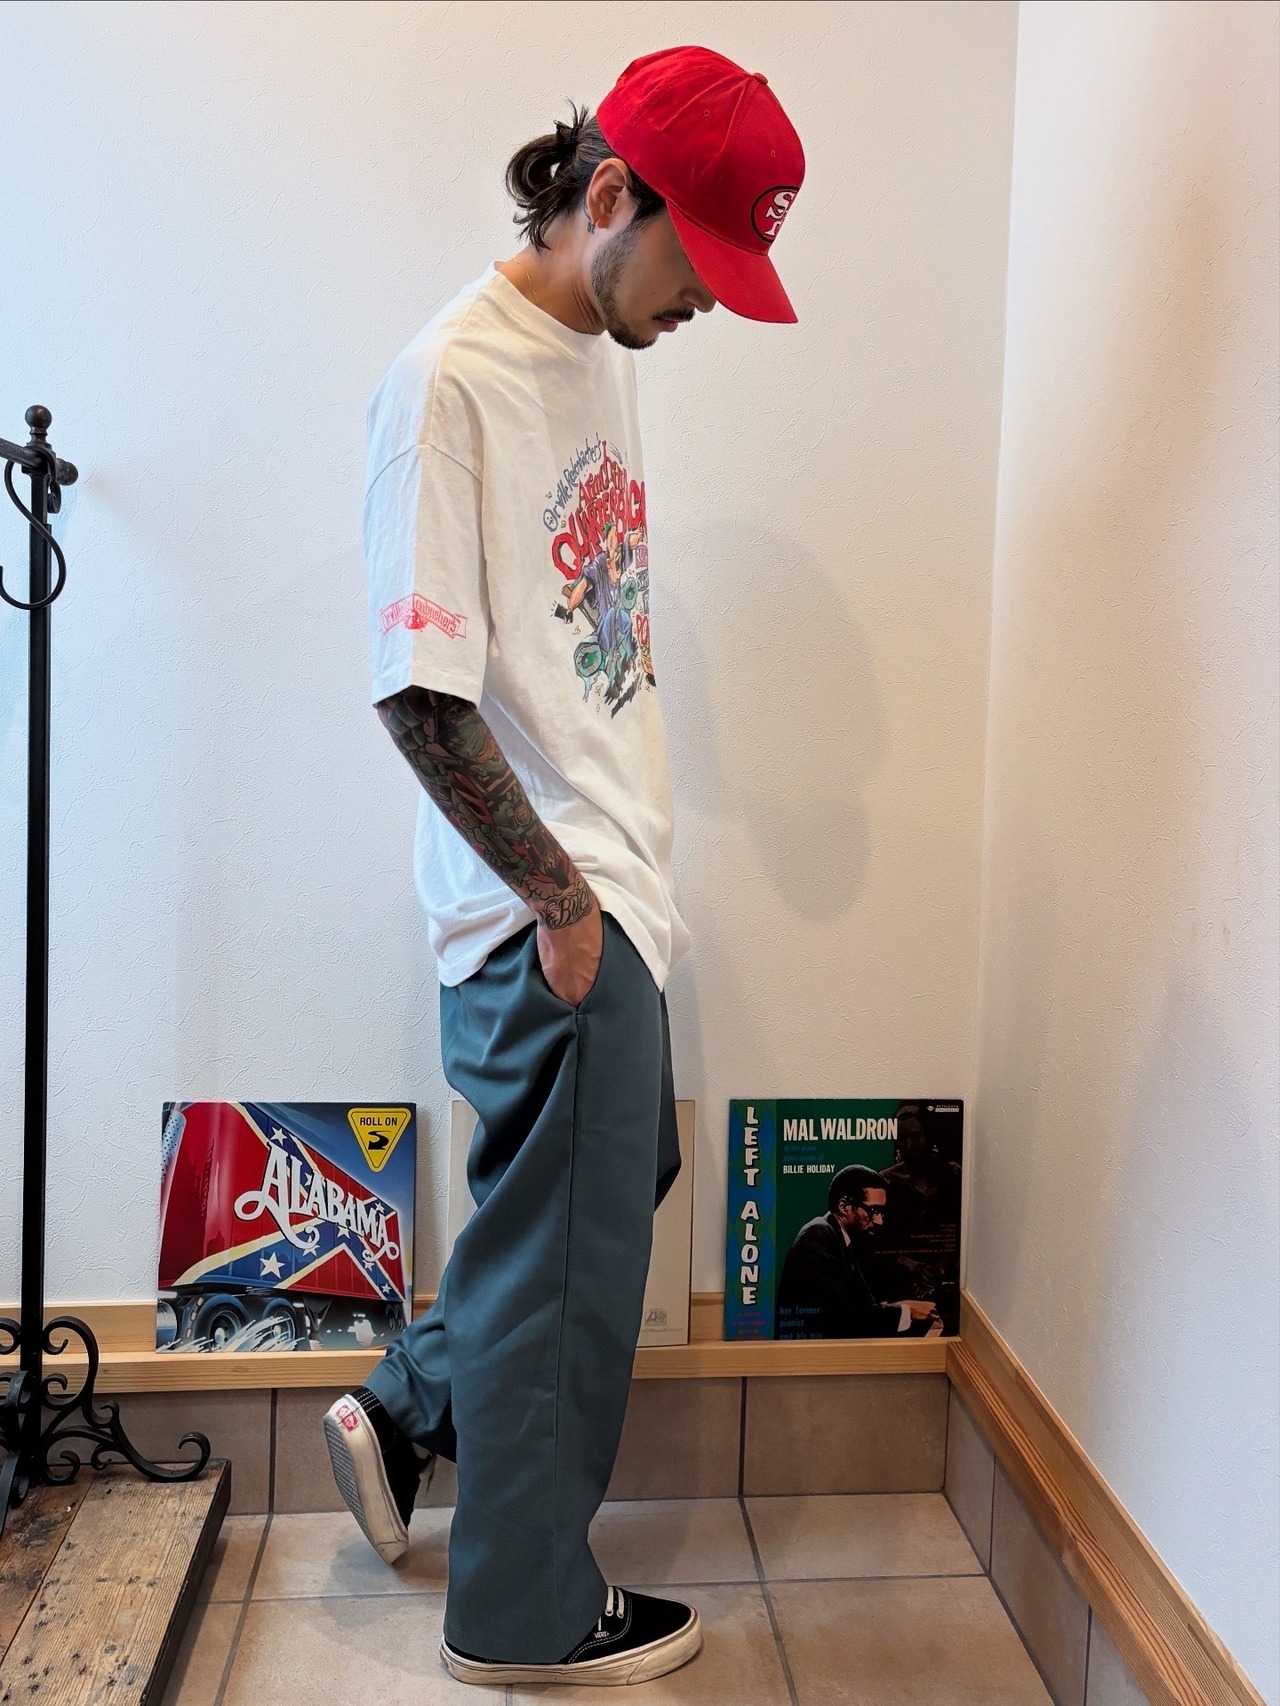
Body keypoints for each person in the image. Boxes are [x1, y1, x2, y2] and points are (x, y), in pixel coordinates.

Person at [321, 45, 807, 1690]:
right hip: (554, 910)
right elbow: (418, 693)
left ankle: (407, 1406)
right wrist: (560, 893)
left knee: (595, 1202)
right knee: (569, 1278)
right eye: (698, 262)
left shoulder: (595, 344)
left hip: (608, 888)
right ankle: (523, 1612)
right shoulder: (448, 388)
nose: (707, 303)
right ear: (610, 195)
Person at [775, 1164, 943, 1340]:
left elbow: (859, 1306)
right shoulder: (817, 1235)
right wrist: (906, 1310)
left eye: (881, 1213)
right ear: (843, 1207)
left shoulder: (841, 1238)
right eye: (873, 1211)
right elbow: (843, 1315)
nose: (879, 1221)